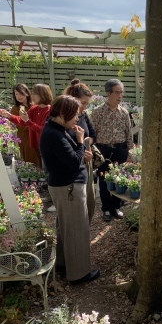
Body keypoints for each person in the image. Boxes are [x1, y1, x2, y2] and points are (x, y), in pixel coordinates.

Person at [40, 95, 99, 285]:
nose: (77, 118)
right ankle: (78, 274)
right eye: (74, 114)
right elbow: (73, 162)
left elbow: (72, 157)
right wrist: (81, 142)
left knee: (66, 228)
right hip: (68, 187)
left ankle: (64, 263)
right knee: (76, 230)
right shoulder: (53, 134)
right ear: (62, 113)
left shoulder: (56, 129)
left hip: (65, 185)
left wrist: (82, 154)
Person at [90, 79, 133, 222]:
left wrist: (129, 151)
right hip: (104, 149)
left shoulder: (124, 112)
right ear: (108, 93)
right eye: (117, 92)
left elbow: (129, 133)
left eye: (121, 92)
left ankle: (116, 207)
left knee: (119, 180)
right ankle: (106, 209)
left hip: (120, 149)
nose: (120, 96)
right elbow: (92, 133)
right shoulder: (97, 112)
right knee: (104, 180)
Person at [64, 79, 96, 222]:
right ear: (73, 99)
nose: (84, 107)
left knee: (89, 199)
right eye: (82, 103)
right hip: (73, 164)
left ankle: (85, 227)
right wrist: (81, 143)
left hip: (86, 160)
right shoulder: (63, 119)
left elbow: (93, 135)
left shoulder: (83, 115)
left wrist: (87, 144)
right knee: (77, 202)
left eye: (87, 104)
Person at [0, 84, 53, 168]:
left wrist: (28, 121)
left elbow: (43, 129)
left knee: (47, 169)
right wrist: (9, 115)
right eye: (16, 94)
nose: (32, 96)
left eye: (34, 94)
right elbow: (22, 121)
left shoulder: (50, 110)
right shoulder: (34, 109)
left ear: (42, 95)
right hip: (34, 143)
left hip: (47, 145)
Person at [9, 84, 40, 166]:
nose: (19, 96)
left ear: (27, 93)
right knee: (31, 161)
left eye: (21, 93)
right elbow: (19, 124)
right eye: (16, 94)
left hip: (38, 135)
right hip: (25, 137)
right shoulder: (15, 109)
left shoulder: (35, 106)